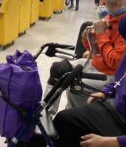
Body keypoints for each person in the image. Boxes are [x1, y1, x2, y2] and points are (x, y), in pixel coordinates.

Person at [44, 0, 126, 116]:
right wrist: (88, 38)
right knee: (58, 68)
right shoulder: (109, 16)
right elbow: (96, 51)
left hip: (111, 75)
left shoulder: (123, 25)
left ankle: (71, 119)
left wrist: (100, 36)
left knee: (73, 82)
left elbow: (116, 63)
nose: (111, 1)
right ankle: (46, 114)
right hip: (97, 64)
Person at [53, 15, 126, 147]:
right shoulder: (108, 20)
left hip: (121, 126)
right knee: (62, 119)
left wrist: (111, 142)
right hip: (115, 108)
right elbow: (122, 77)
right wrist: (107, 91)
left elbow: (113, 62)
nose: (110, 1)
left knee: (73, 90)